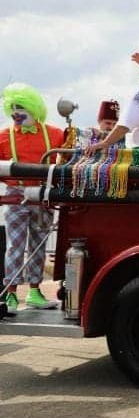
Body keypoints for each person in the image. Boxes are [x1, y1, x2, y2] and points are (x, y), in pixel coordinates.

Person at [0, 83, 64, 314]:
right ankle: (11, 295)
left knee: (38, 246)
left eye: (21, 107)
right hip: (15, 197)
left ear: (33, 109)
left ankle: (35, 292)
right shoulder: (3, 136)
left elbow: (65, 164)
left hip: (42, 195)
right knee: (14, 247)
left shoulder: (55, 134)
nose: (16, 112)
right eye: (12, 107)